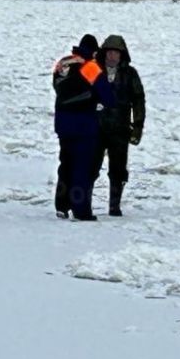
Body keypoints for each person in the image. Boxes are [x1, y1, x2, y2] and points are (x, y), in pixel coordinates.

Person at [53, 34, 113, 221]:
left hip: (63, 123)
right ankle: (81, 210)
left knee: (66, 164)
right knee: (82, 168)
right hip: (84, 125)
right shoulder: (90, 67)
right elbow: (107, 95)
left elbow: (57, 88)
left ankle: (61, 205)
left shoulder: (63, 63)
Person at [91, 35, 146, 217]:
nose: (113, 56)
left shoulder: (130, 74)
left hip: (120, 129)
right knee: (91, 167)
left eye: (116, 53)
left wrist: (137, 128)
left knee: (118, 170)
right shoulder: (94, 70)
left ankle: (114, 205)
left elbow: (139, 101)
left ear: (122, 55)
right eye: (110, 52)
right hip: (96, 128)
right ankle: (85, 203)